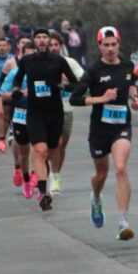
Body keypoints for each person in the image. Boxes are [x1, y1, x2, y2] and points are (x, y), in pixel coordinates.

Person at [71, 26, 138, 238]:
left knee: (120, 168)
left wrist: (134, 98)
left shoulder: (128, 66)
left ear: (119, 44)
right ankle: (96, 197)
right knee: (101, 174)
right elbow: (75, 98)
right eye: (106, 45)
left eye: (114, 44)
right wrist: (100, 99)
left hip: (121, 126)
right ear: (99, 46)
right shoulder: (93, 71)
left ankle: (123, 222)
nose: (110, 49)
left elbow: (132, 85)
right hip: (100, 130)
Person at [8, 28, 79, 211]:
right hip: (35, 112)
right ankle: (43, 193)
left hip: (55, 113)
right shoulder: (27, 61)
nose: (41, 40)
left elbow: (75, 85)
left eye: (44, 37)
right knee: (39, 151)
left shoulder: (58, 61)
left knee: (50, 152)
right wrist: (16, 91)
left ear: (48, 41)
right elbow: (17, 80)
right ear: (34, 40)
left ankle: (47, 181)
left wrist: (61, 85)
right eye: (38, 38)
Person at [46, 32, 85, 195]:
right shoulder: (41, 63)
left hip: (66, 108)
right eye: (51, 45)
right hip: (46, 108)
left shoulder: (69, 63)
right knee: (52, 146)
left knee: (61, 147)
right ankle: (50, 175)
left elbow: (84, 82)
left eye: (56, 45)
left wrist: (66, 84)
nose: (54, 48)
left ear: (61, 46)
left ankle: (55, 174)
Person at [0, 40, 36, 199]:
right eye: (26, 56)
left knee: (39, 147)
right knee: (23, 150)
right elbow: (3, 93)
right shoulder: (15, 73)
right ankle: (24, 175)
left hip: (38, 113)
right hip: (20, 112)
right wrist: (19, 93)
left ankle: (36, 177)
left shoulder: (44, 71)